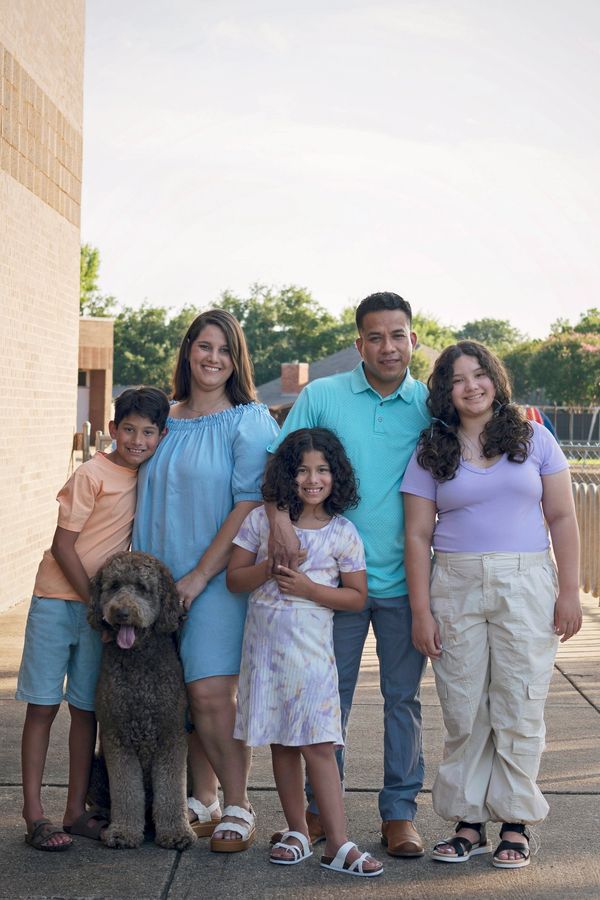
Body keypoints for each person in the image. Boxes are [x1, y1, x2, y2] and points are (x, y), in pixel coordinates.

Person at [401, 340, 582, 869]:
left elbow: (564, 519)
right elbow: (416, 536)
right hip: (454, 583)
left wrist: (568, 592)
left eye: (479, 375)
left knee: (519, 702)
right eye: (457, 379)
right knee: (463, 705)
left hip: (525, 582)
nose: (470, 386)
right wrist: (420, 611)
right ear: (445, 391)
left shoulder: (534, 438)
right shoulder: (431, 449)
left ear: (494, 380)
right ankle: (467, 821)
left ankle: (515, 823)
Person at [268, 292, 430, 857]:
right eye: (376, 337)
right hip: (328, 587)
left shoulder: (429, 405)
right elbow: (279, 462)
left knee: (402, 699)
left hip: (406, 581)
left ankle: (400, 813)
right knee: (325, 700)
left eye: (399, 335)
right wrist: (277, 519)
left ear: (414, 339)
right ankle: (317, 810)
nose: (389, 346)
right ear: (359, 343)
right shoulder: (323, 394)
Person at [132, 309, 279, 852]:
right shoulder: (162, 418)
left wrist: (198, 576)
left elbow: (250, 503)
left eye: (223, 349)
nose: (212, 358)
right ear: (188, 351)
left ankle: (239, 805)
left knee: (210, 692)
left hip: (216, 578)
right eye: (203, 346)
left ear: (235, 359)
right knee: (180, 692)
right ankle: (205, 795)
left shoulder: (249, 420)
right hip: (153, 583)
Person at [17, 387, 170, 851]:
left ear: (160, 437)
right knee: (43, 707)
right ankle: (34, 813)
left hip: (97, 613)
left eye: (147, 432)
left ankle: (74, 811)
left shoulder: (148, 476)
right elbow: (63, 545)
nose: (137, 440)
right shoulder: (91, 474)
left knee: (86, 711)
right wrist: (95, 607)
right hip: (59, 602)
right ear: (112, 430)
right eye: (129, 430)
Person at [228, 427, 383, 877]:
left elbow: (356, 597)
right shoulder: (261, 521)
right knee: (281, 738)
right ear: (285, 475)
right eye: (301, 470)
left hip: (312, 651)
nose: (312, 479)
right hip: (266, 649)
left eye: (322, 470)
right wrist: (268, 569)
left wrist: (311, 588)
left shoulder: (342, 533)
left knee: (318, 742)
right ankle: (297, 829)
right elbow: (235, 580)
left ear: (337, 476)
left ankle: (337, 842)